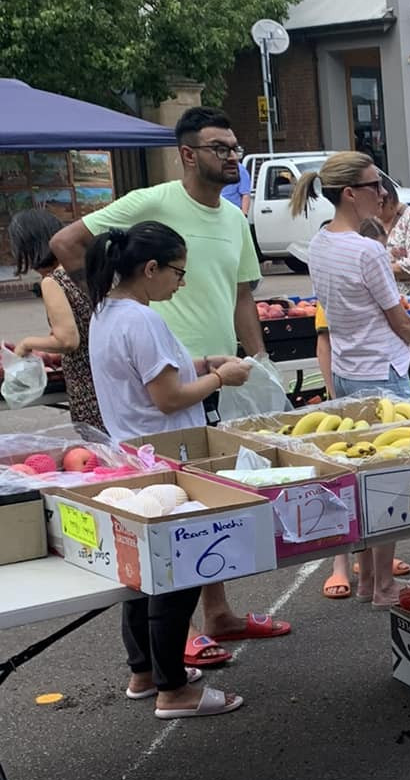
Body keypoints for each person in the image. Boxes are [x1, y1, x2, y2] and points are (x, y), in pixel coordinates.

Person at [51, 105, 284, 669]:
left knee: (205, 502)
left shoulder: (232, 219)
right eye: (219, 148)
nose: (232, 157)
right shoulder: (151, 209)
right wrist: (118, 301)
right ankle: (168, 657)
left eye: (235, 147)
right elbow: (67, 244)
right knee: (174, 527)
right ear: (187, 153)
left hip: (202, 370)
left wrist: (257, 360)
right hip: (166, 388)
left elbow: (241, 296)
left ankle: (215, 617)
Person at [85, 221, 252, 719]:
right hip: (165, 460)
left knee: (139, 574)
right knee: (174, 575)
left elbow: (155, 374)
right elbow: (168, 398)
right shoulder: (142, 320)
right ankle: (173, 689)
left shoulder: (105, 312)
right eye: (178, 272)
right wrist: (223, 376)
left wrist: (200, 362)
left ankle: (143, 672)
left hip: (130, 456)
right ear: (150, 268)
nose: (181, 283)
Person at [292, 153, 410, 607]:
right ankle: (381, 585)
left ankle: (366, 579)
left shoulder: (320, 243)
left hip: (347, 368)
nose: (382, 193)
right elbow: (397, 318)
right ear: (350, 193)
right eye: (374, 185)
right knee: (391, 481)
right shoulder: (367, 249)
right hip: (384, 369)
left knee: (357, 476)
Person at [8, 209, 99, 429]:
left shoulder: (53, 280)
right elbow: (87, 327)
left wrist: (27, 344)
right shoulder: (86, 269)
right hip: (108, 376)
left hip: (88, 385)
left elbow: (68, 340)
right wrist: (49, 353)